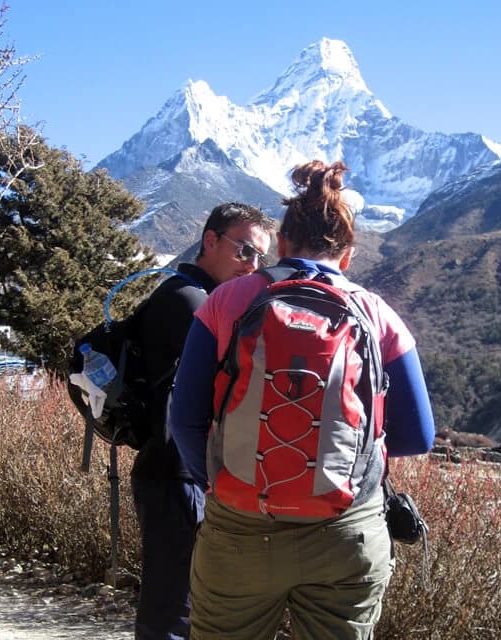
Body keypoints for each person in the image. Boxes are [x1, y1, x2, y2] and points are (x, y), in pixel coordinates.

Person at [169, 161, 435, 640]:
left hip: (239, 528)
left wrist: (228, 487)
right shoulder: (377, 313)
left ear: (283, 244)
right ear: (348, 254)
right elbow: (418, 435)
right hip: (347, 529)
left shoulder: (225, 301)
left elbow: (184, 419)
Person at [130, 202, 275, 640]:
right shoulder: (194, 304)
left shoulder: (186, 293)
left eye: (259, 258)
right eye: (244, 250)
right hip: (176, 476)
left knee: (177, 601)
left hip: (170, 473)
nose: (251, 265)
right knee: (174, 608)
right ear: (210, 240)